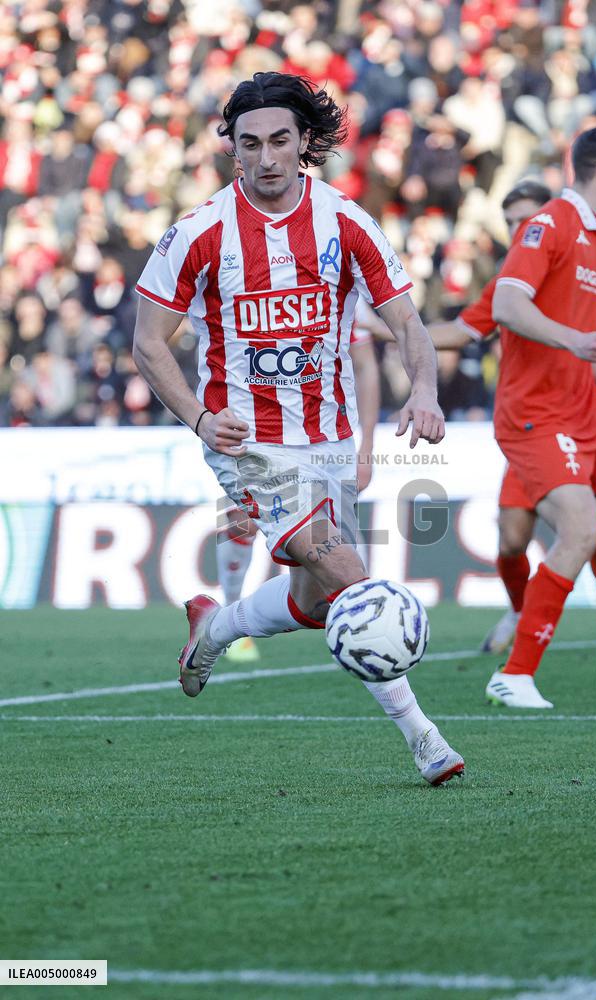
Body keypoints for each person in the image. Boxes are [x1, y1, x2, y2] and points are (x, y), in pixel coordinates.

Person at [133, 72, 464, 785]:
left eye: (280, 140)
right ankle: (426, 738)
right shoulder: (198, 232)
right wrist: (198, 417)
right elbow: (148, 342)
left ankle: (214, 626)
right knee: (352, 579)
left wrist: (425, 391)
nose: (266, 157)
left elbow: (407, 323)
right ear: (233, 149)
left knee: (315, 602)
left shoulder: (346, 221)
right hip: (249, 444)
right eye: (249, 143)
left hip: (329, 439)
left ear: (305, 141)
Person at [427, 180, 596, 659]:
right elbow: (462, 330)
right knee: (513, 539)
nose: (521, 229)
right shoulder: (510, 285)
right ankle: (522, 616)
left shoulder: (585, 262)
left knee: (585, 526)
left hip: (585, 422)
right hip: (534, 426)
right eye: (512, 222)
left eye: (528, 219)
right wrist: (392, 327)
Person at [480, 125, 596, 708]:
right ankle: (513, 676)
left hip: (587, 418)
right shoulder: (550, 224)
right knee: (581, 531)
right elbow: (507, 305)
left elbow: (587, 347)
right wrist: (578, 341)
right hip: (537, 418)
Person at [218, 315, 382, 663]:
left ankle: (223, 623)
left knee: (332, 549)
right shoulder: (240, 295)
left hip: (324, 439)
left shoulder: (343, 294)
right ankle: (229, 612)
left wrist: (367, 445)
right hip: (254, 432)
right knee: (241, 521)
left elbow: (366, 366)